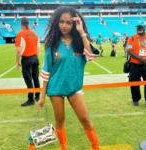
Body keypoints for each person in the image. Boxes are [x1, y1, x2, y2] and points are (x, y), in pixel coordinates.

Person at [37, 6, 100, 150]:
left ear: (74, 23)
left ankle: (96, 147)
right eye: (61, 21)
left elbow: (91, 56)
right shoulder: (52, 44)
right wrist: (42, 96)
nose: (64, 26)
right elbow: (46, 71)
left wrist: (81, 31)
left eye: (68, 22)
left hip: (74, 87)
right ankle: (63, 147)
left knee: (85, 119)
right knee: (59, 119)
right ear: (56, 22)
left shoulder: (80, 43)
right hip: (56, 87)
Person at [15, 17, 40, 106]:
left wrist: (17, 61)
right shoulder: (35, 34)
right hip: (35, 58)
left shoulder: (20, 34)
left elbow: (18, 50)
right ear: (28, 24)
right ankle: (37, 96)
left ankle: (31, 99)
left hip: (26, 59)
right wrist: (35, 58)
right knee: (36, 78)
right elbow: (38, 49)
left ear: (21, 24)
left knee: (28, 79)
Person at [127, 20, 146, 106]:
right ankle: (135, 99)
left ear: (144, 27)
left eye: (141, 26)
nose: (139, 28)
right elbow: (129, 50)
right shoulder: (131, 38)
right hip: (134, 64)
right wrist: (140, 58)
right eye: (138, 26)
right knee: (134, 83)